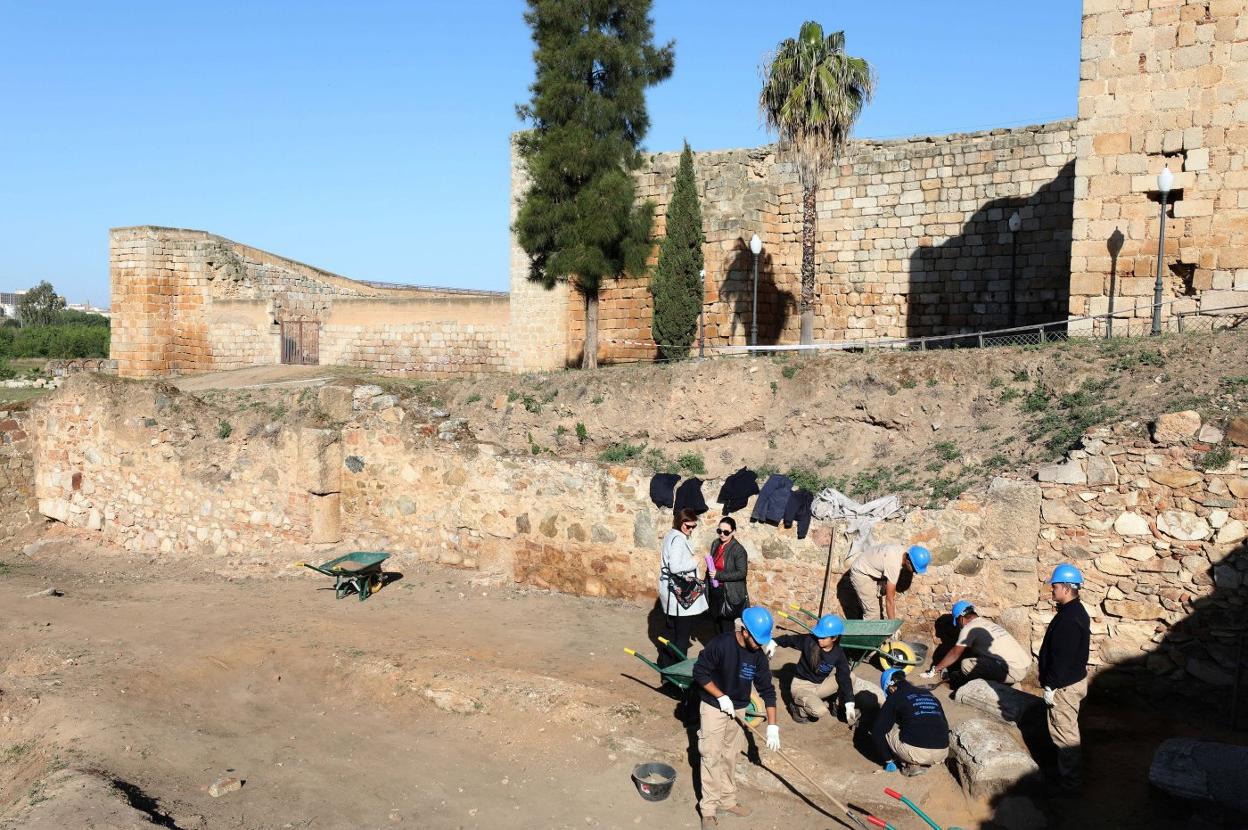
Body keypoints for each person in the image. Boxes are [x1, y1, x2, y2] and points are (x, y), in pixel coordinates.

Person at [692, 606, 780, 829]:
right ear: (745, 631)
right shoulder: (721, 644)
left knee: (730, 755)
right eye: (756, 638)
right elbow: (699, 672)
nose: (759, 644)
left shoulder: (758, 656)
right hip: (714, 705)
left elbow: (767, 690)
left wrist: (773, 726)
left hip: (739, 708)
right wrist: (721, 697)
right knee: (711, 754)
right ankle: (709, 809)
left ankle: (727, 800)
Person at [1038, 563, 1090, 793]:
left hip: (1065, 686)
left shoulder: (1069, 619)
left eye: (1055, 586)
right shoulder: (1073, 612)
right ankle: (1067, 776)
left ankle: (1070, 784)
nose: (1052, 590)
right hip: (1071, 681)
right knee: (1066, 729)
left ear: (1067, 589)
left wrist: (1051, 686)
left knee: (1065, 734)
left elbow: (1062, 658)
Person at [773, 614, 857, 726]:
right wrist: (774, 642)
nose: (819, 639)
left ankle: (838, 706)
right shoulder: (809, 641)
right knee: (819, 710)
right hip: (801, 686)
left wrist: (849, 703)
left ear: (834, 638)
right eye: (818, 635)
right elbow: (790, 639)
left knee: (851, 676)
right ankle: (799, 710)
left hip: (819, 686)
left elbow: (844, 677)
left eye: (823, 637)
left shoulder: (838, 653)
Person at [922, 600, 1030, 686]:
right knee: (977, 659)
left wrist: (935, 669)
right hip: (1024, 665)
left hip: (1014, 671)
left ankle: (982, 687)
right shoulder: (986, 623)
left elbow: (955, 653)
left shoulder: (968, 628)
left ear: (961, 619)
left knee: (966, 665)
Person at [657, 508, 709, 673]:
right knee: (681, 636)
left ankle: (666, 664)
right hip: (679, 595)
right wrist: (694, 562)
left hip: (672, 593)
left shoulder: (671, 535)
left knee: (673, 633)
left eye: (693, 526)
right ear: (680, 522)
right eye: (688, 526)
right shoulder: (678, 540)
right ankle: (676, 671)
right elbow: (675, 567)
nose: (691, 530)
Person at [872, 668, 949, 777]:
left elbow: (877, 733)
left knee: (887, 725)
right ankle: (920, 760)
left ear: (891, 688)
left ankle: (910, 764)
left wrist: (888, 760)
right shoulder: (929, 695)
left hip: (917, 753)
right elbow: (945, 725)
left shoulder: (894, 697)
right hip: (942, 752)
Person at [847, 543, 931, 620]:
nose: (915, 572)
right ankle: (870, 635)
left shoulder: (903, 552)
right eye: (915, 569)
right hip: (861, 573)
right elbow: (889, 600)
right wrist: (893, 627)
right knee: (873, 612)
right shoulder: (893, 564)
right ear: (908, 562)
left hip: (870, 569)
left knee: (878, 602)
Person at [706, 517, 749, 634]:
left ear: (733, 531)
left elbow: (742, 573)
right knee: (715, 623)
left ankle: (727, 650)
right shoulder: (715, 543)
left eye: (726, 532)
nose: (722, 535)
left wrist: (719, 575)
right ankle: (717, 650)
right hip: (714, 589)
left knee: (726, 627)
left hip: (728, 593)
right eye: (719, 531)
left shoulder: (738, 550)